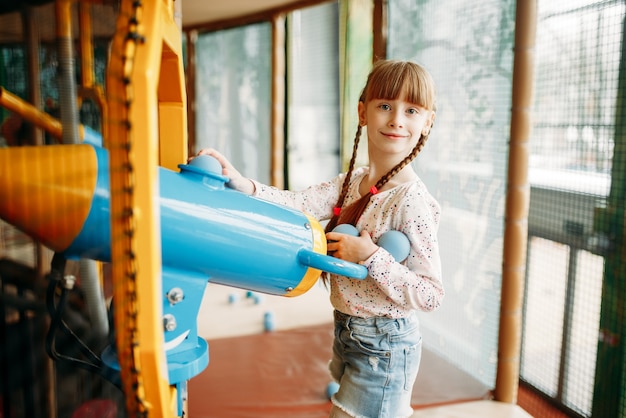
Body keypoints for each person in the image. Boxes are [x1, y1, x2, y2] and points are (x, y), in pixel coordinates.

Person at [194, 59, 444, 418]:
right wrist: (241, 182)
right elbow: (297, 204)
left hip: (385, 344)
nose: (397, 119)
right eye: (385, 106)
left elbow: (431, 294)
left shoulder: (412, 202)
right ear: (363, 112)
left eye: (412, 110)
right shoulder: (353, 182)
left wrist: (371, 256)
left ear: (427, 123)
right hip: (348, 331)